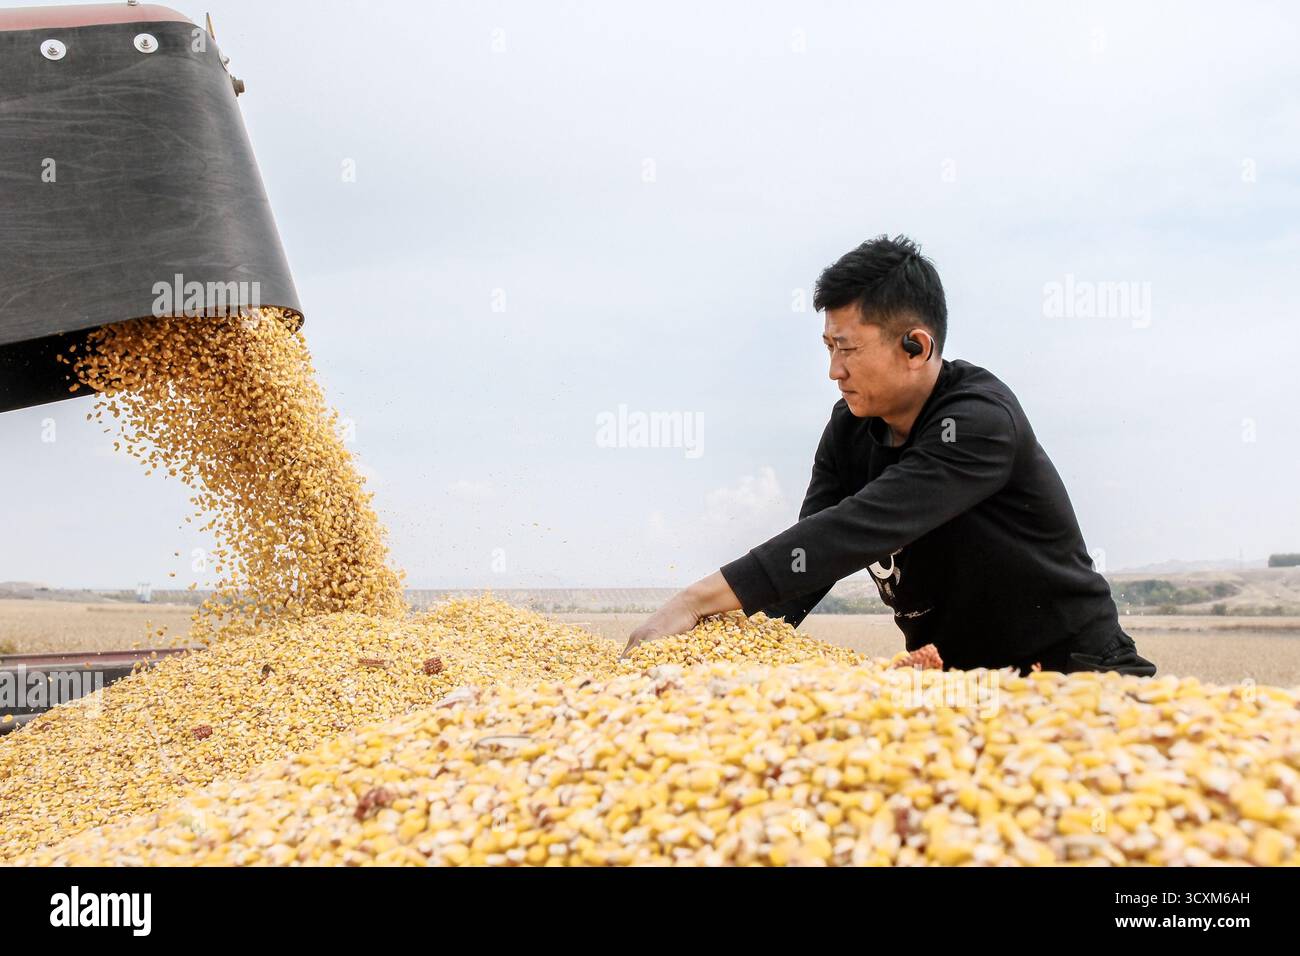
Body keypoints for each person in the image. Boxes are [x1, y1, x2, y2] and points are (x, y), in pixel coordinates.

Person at [621, 235, 1155, 677]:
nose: (834, 371)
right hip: (956, 686)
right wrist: (713, 650)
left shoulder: (978, 424)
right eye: (828, 348)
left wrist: (696, 600)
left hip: (1077, 673)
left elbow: (855, 530)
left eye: (848, 349)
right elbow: (810, 559)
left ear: (916, 347)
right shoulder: (849, 429)